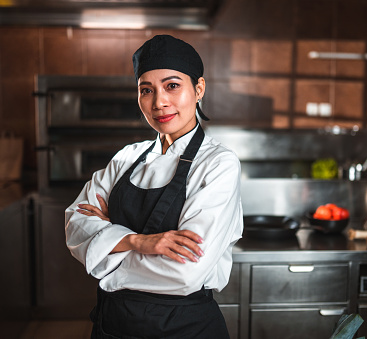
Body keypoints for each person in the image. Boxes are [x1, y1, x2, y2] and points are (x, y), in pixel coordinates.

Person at [65, 34, 243, 339]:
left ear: (198, 88)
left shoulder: (218, 164)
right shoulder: (126, 158)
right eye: (146, 90)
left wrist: (105, 249)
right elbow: (75, 226)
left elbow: (185, 273)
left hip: (184, 327)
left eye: (172, 85)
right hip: (114, 326)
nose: (159, 102)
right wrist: (140, 243)